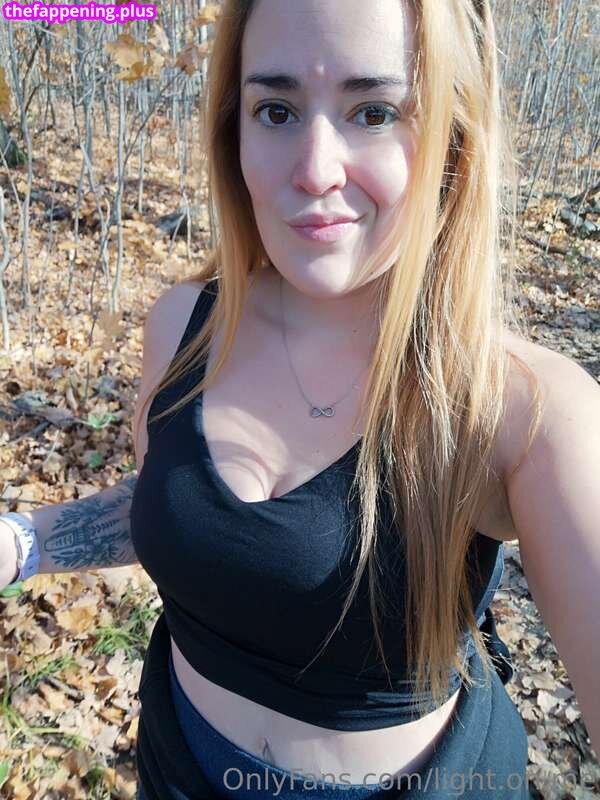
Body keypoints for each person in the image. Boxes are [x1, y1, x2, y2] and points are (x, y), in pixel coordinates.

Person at [2, 0, 599, 798]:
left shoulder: (524, 408)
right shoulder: (186, 328)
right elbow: (176, 507)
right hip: (175, 767)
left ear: (454, 139)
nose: (315, 170)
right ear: (235, 132)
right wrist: (24, 543)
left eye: (374, 112)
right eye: (276, 111)